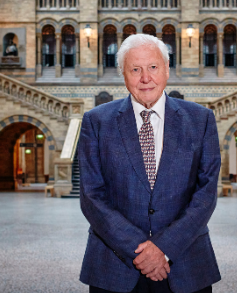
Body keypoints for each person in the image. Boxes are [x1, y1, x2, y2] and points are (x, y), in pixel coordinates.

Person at [77, 34, 221, 293]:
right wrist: (142, 251)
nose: (146, 78)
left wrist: (165, 248)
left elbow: (206, 195)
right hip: (114, 266)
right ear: (123, 74)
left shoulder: (201, 120)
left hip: (186, 265)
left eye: (153, 67)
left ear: (167, 69)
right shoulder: (96, 122)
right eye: (135, 69)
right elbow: (91, 196)